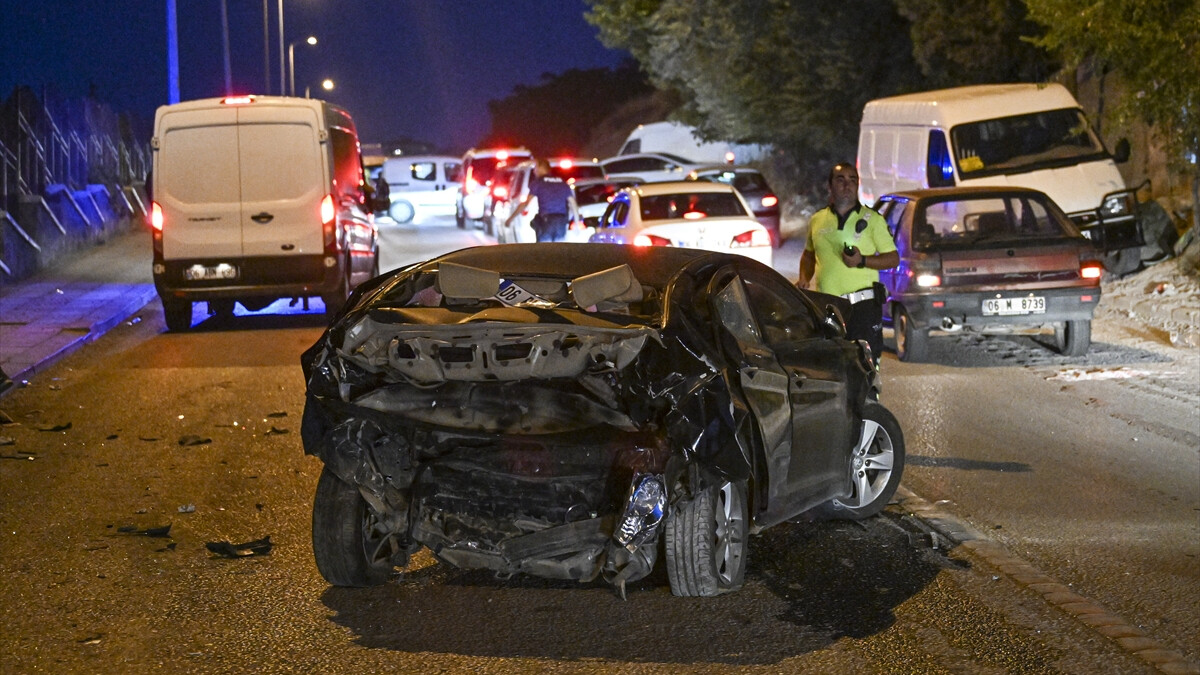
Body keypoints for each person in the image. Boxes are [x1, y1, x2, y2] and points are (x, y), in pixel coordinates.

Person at [797, 162, 899, 364]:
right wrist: (803, 278)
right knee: (832, 363)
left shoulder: (872, 220)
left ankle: (869, 396)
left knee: (865, 364)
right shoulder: (818, 220)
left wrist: (862, 261)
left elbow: (893, 258)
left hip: (863, 307)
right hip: (828, 306)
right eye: (840, 180)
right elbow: (809, 255)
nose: (847, 185)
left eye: (853, 180)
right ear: (830, 186)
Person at [507, 158, 575, 242]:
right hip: (561, 223)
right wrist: (577, 223)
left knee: (544, 252)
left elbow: (525, 204)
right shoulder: (562, 183)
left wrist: (510, 219)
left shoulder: (538, 183)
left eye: (536, 168)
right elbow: (573, 204)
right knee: (558, 252)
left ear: (541, 167)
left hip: (546, 223)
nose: (534, 171)